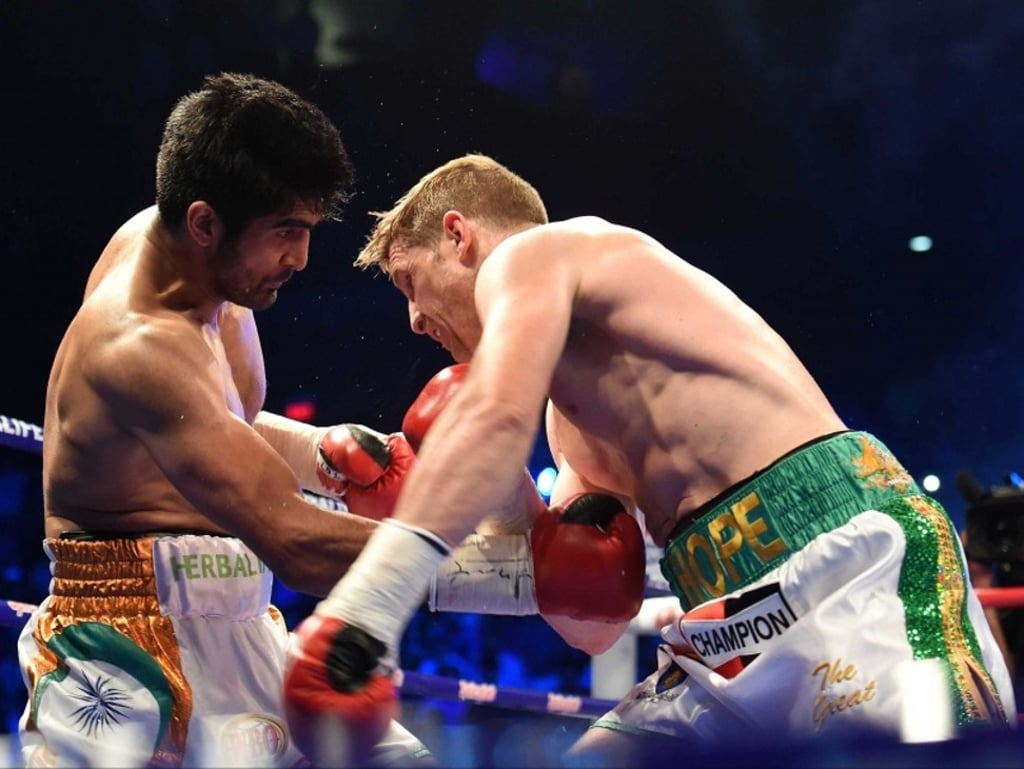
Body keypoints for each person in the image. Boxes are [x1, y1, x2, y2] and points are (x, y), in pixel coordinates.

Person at [282, 153, 1019, 766]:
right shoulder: (565, 424)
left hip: (845, 556)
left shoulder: (540, 254)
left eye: (412, 282)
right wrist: (509, 495)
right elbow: (596, 615)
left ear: (460, 235)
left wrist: (366, 608)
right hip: (720, 631)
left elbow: (493, 417)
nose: (413, 319)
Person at [17, 72, 433, 769]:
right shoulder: (135, 340)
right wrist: (490, 564)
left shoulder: (205, 267)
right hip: (126, 648)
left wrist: (315, 452)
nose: (300, 258)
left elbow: (203, 420)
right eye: (286, 233)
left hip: (245, 623)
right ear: (206, 222)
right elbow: (294, 540)